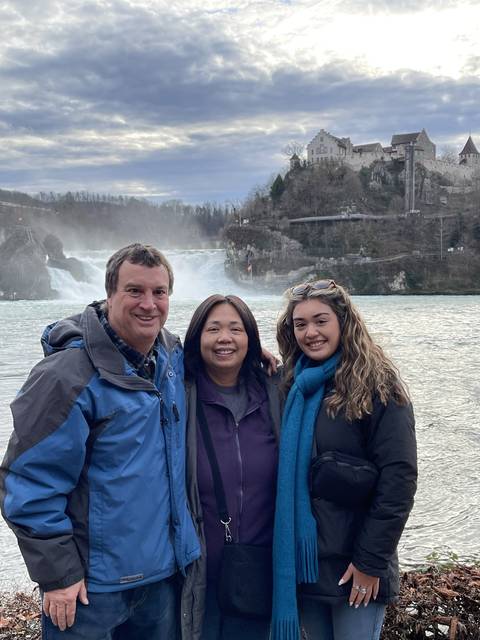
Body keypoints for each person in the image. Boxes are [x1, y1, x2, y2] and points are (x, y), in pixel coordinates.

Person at [0, 243, 201, 639]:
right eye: (135, 291)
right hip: (92, 589)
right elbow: (27, 482)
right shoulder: (66, 375)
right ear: (110, 294)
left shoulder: (169, 357)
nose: (149, 304)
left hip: (161, 577)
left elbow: (211, 356)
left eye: (159, 293)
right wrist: (58, 576)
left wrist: (253, 356)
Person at [271, 279, 417, 640]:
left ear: (343, 322)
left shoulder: (379, 385)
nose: (311, 332)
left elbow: (399, 480)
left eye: (321, 320)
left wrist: (370, 563)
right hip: (307, 568)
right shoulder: (290, 385)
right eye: (300, 324)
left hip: (357, 566)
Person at [180, 294, 281, 640]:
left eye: (236, 329)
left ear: (251, 339)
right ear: (197, 338)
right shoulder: (180, 394)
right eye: (214, 329)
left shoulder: (274, 393)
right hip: (197, 576)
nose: (225, 338)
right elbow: (141, 340)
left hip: (260, 572)